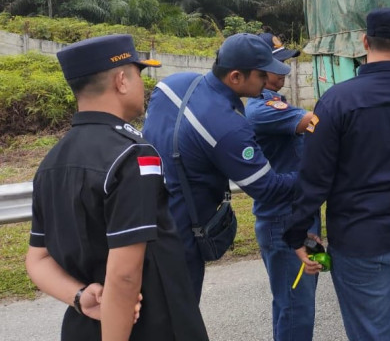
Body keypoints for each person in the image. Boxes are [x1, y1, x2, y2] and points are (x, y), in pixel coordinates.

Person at [26, 34, 209, 340]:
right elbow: (124, 276)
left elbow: (38, 259)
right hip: (146, 325)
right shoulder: (134, 155)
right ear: (121, 81)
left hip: (85, 323)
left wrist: (80, 295)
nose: (142, 85)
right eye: (139, 74)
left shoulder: (52, 162)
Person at [284, 7, 390, 341]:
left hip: (361, 239)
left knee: (373, 334)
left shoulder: (336, 102)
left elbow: (314, 178)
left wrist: (297, 232)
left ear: (364, 42)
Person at [142, 33, 297, 300]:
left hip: (145, 214)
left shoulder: (172, 84)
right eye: (262, 75)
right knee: (182, 317)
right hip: (183, 231)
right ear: (236, 77)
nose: (268, 81)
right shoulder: (228, 126)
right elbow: (268, 188)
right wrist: (314, 176)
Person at [245, 32, 317, 341]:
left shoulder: (277, 103)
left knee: (292, 305)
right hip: (283, 218)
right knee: (296, 308)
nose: (285, 68)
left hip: (294, 212)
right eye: (278, 63)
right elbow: (314, 122)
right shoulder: (262, 109)